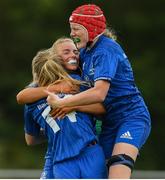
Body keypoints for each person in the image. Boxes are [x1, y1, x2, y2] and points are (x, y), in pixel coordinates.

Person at [46, 4, 151, 179]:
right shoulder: (85, 52)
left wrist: (63, 103)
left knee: (119, 166)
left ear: (91, 28)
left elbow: (99, 93)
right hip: (109, 122)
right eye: (71, 29)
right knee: (98, 174)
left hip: (131, 117)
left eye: (76, 29)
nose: (72, 34)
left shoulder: (106, 50)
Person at [20, 38, 107, 178]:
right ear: (54, 59)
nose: (73, 55)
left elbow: (103, 108)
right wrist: (55, 130)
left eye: (75, 52)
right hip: (59, 155)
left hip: (89, 149)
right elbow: (21, 98)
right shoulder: (33, 98)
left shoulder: (77, 82)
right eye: (66, 52)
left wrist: (74, 105)